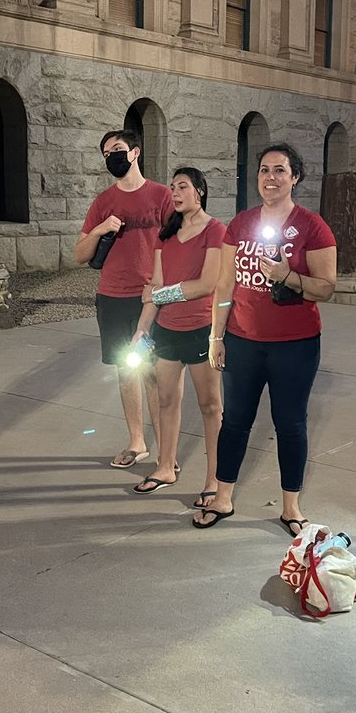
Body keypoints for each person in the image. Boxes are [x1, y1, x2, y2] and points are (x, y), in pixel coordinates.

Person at [195, 144, 337, 533]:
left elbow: (326, 288)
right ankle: (223, 498)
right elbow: (225, 283)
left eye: (279, 170)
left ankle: (291, 507)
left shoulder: (312, 226)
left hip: (296, 343)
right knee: (236, 420)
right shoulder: (240, 224)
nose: (270, 178)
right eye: (263, 170)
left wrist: (287, 276)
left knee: (290, 423)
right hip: (242, 340)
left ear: (295, 177)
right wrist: (215, 336)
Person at [74, 130, 174, 469]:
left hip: (151, 299)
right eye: (105, 153)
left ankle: (166, 450)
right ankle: (137, 442)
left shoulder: (162, 196)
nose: (111, 157)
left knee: (155, 374)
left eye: (117, 149)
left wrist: (167, 289)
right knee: (126, 370)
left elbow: (179, 246)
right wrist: (101, 229)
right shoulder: (103, 202)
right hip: (113, 297)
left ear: (135, 152)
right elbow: (80, 254)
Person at [130, 167, 225, 501]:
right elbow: (155, 285)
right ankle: (165, 467)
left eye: (182, 186)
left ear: (199, 190)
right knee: (167, 400)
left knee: (210, 406)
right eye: (172, 188)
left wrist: (159, 296)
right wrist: (142, 329)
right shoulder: (166, 234)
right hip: (167, 331)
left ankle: (215, 480)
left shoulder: (216, 231)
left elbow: (207, 284)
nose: (175, 193)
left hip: (201, 329)